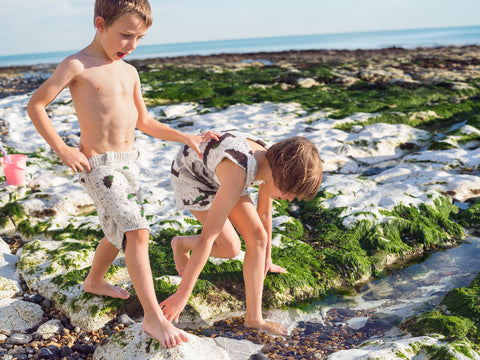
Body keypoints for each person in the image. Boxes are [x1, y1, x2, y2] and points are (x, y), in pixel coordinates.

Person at [26, 0, 219, 348]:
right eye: (125, 35)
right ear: (101, 24)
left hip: (130, 161)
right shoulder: (76, 64)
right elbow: (36, 105)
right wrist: (64, 148)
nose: (131, 45)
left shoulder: (129, 72)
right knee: (138, 230)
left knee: (119, 229)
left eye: (139, 38)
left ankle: (94, 280)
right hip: (98, 165)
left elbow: (144, 122)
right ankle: (153, 318)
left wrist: (186, 136)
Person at [160, 130, 323, 335]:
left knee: (257, 237)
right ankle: (181, 244)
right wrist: (182, 295)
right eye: (289, 192)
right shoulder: (239, 173)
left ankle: (254, 319)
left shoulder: (271, 165)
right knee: (229, 248)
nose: (290, 199)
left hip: (223, 172)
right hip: (193, 176)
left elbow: (263, 215)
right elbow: (208, 237)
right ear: (279, 175)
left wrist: (267, 258)